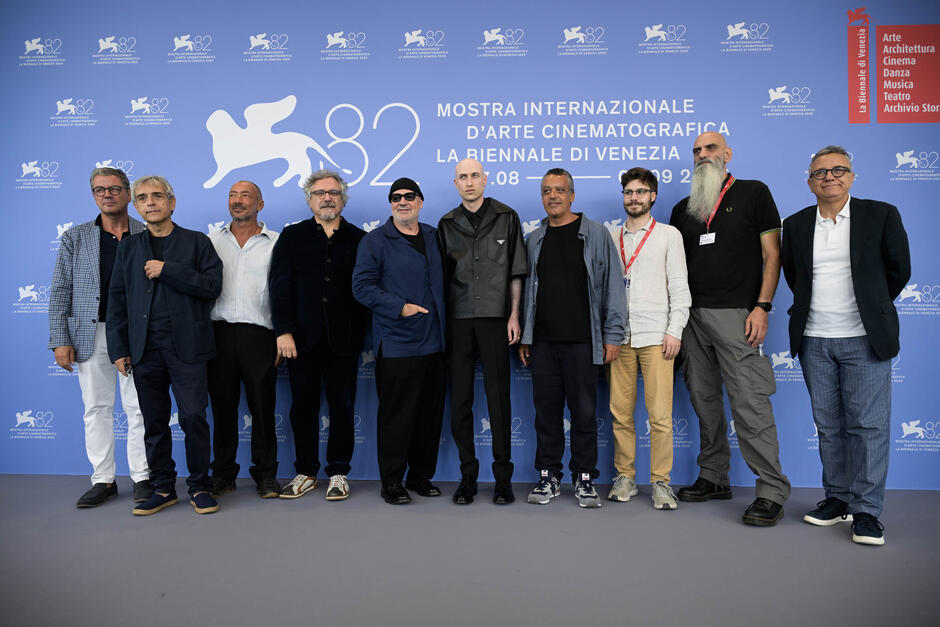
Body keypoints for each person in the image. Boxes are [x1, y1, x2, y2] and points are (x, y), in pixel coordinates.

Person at [781, 145, 910, 546]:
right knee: (828, 425)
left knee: (868, 426)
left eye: (838, 170)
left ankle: (866, 510)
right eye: (820, 173)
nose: (830, 177)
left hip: (864, 338)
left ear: (852, 177)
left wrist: (872, 307)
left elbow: (899, 270)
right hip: (815, 338)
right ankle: (837, 499)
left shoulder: (881, 214)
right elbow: (794, 276)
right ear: (810, 183)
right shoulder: (796, 224)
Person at [669, 132, 791, 526]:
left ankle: (771, 491)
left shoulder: (754, 192)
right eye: (696, 151)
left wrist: (762, 306)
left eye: (710, 149)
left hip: (738, 315)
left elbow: (772, 255)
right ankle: (714, 476)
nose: (702, 155)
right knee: (704, 400)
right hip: (692, 318)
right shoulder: (683, 209)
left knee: (750, 403)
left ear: (727, 154)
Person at [107, 175, 223, 516]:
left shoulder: (197, 242)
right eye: (143, 198)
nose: (151, 202)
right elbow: (117, 301)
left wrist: (168, 270)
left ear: (172, 202)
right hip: (145, 351)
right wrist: (119, 349)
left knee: (193, 417)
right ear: (136, 206)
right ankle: (162, 487)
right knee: (154, 422)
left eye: (157, 196)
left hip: (188, 348)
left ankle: (200, 485)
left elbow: (212, 286)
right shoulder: (129, 247)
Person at [519, 168, 626, 508]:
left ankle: (584, 478)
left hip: (583, 341)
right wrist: (526, 336)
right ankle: (548, 476)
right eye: (546, 190)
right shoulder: (534, 239)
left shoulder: (596, 234)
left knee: (584, 414)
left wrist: (613, 335)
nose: (553, 196)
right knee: (546, 415)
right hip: (543, 343)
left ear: (572, 195)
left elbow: (613, 288)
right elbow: (528, 293)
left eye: (560, 190)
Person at [48, 167, 151, 508]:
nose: (107, 194)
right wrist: (60, 338)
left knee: (139, 408)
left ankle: (142, 477)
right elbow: (60, 289)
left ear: (128, 194)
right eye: (99, 190)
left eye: (114, 188)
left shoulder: (146, 232)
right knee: (96, 408)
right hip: (89, 332)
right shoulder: (75, 237)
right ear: (93, 195)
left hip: (137, 333)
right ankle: (103, 479)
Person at [269, 170, 368, 501]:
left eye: (334, 193)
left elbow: (366, 289)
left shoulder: (359, 239)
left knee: (343, 406)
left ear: (343, 199)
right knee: (303, 408)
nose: (327, 198)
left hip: (345, 340)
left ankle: (339, 472)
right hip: (300, 340)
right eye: (320, 193)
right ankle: (306, 472)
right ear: (309, 200)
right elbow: (279, 287)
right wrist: (283, 331)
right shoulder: (292, 236)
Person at [437, 158, 527, 505]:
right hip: (458, 319)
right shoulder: (446, 224)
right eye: (463, 177)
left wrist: (514, 315)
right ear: (455, 183)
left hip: (495, 318)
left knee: (498, 399)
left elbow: (516, 272)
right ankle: (467, 478)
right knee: (460, 400)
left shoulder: (507, 216)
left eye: (475, 175)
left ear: (485, 180)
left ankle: (503, 480)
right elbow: (440, 279)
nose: (470, 181)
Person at [352, 177, 446, 505]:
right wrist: (399, 307)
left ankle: (420, 476)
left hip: (435, 342)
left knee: (429, 416)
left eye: (408, 196)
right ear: (391, 204)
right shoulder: (375, 241)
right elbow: (361, 287)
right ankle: (391, 481)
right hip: (397, 343)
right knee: (397, 417)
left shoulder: (434, 236)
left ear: (420, 201)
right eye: (395, 197)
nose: (402, 201)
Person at [607, 168, 691, 510]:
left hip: (657, 336)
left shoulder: (669, 235)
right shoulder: (611, 236)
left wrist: (675, 330)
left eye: (641, 192)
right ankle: (625, 476)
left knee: (660, 416)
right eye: (629, 192)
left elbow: (680, 288)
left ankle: (660, 482)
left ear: (653, 196)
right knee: (620, 414)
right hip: (620, 337)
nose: (634, 198)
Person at [207, 181, 281, 500]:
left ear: (259, 204)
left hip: (260, 335)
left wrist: (282, 335)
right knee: (222, 409)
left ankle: (266, 475)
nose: (238, 201)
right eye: (233, 196)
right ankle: (223, 474)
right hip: (218, 333)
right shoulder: (210, 241)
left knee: (263, 408)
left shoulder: (277, 243)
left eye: (246, 195)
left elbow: (284, 293)